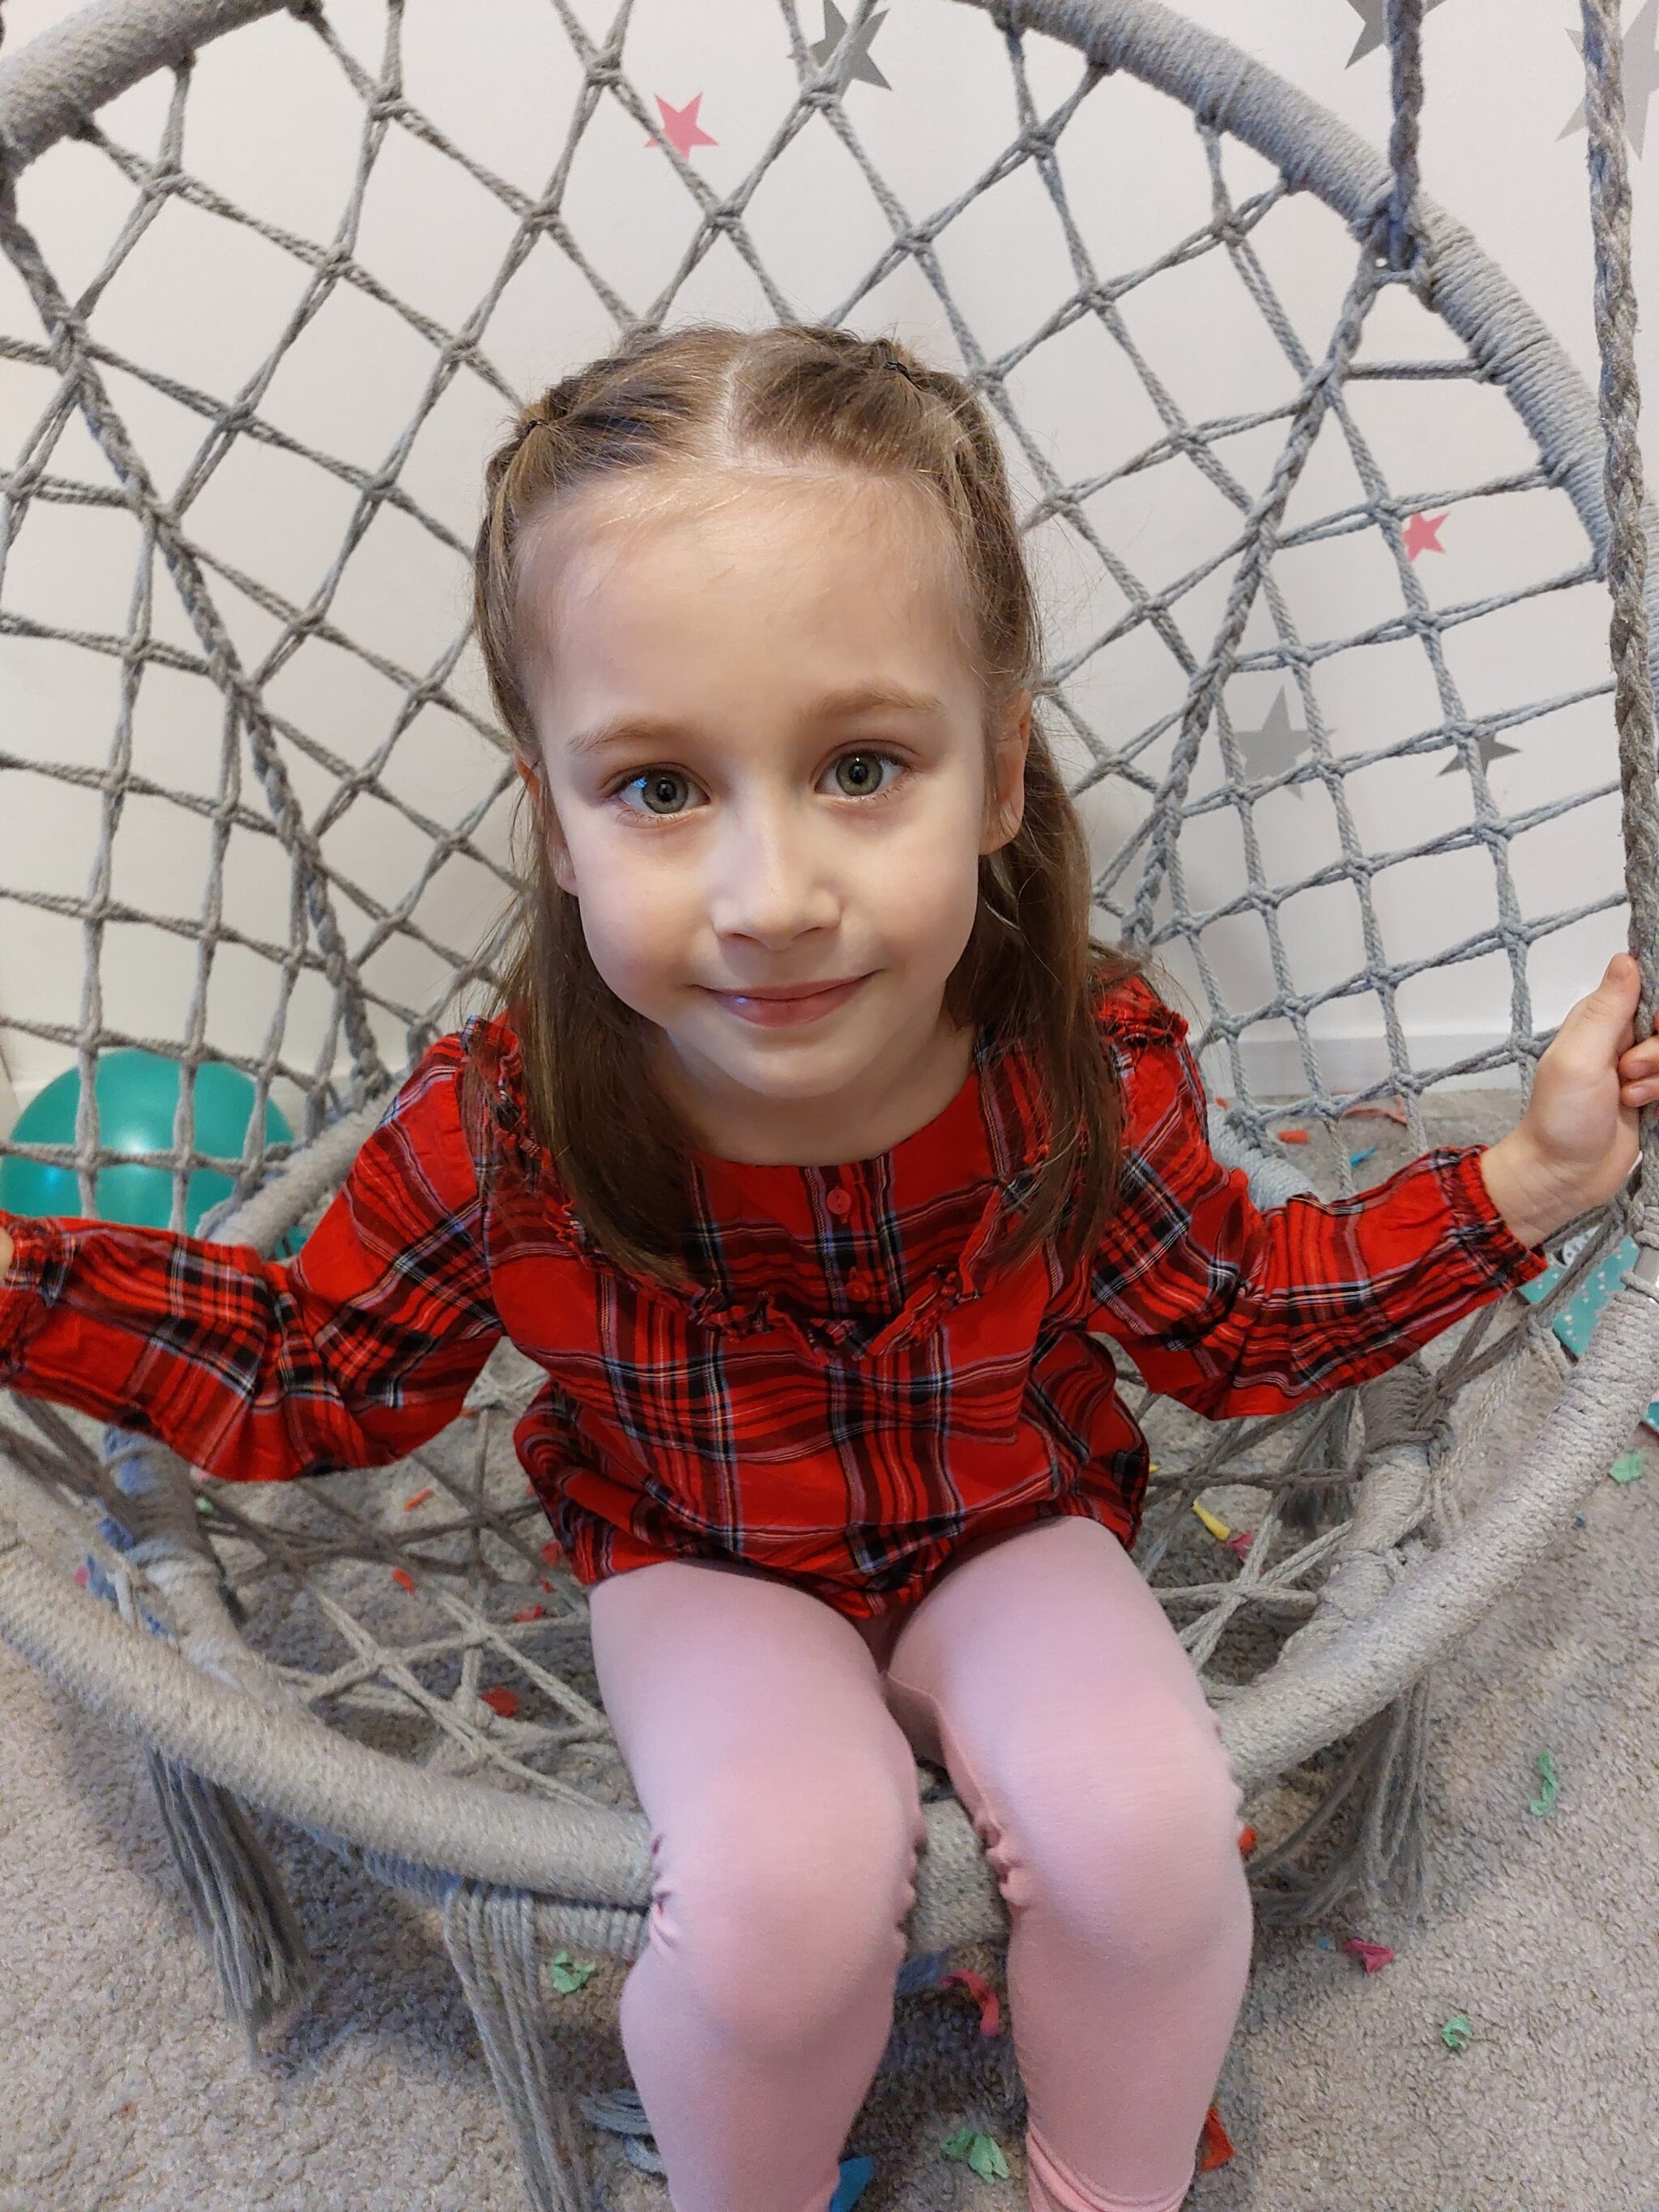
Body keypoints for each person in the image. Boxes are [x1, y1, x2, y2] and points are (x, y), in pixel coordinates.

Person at [1, 323, 1655, 2212]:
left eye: (861, 765)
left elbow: (1237, 1314)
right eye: (658, 788)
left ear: (999, 773)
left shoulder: (1072, 1064)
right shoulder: (510, 1121)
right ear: (554, 821)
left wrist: (1527, 1175)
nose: (770, 895)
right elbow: (319, 1365)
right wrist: (26, 1290)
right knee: (781, 1900)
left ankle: (1108, 2189)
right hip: (699, 1550)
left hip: (1009, 1514)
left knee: (1148, 1841)